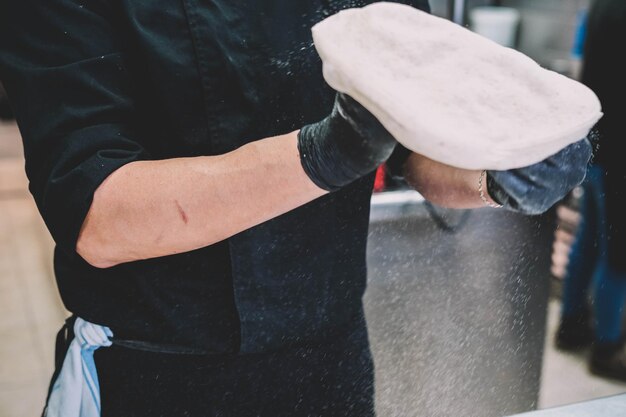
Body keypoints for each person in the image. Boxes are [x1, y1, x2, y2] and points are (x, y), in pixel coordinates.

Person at [0, 1, 591, 415]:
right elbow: (101, 221)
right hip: (156, 374)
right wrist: (325, 153)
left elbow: (418, 149)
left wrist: (495, 175)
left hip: (331, 361)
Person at [555, 0, 626, 382]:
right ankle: (607, 347)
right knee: (619, 253)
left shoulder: (598, 7)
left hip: (595, 142)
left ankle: (570, 325)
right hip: (623, 152)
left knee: (590, 237)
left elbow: (578, 69)